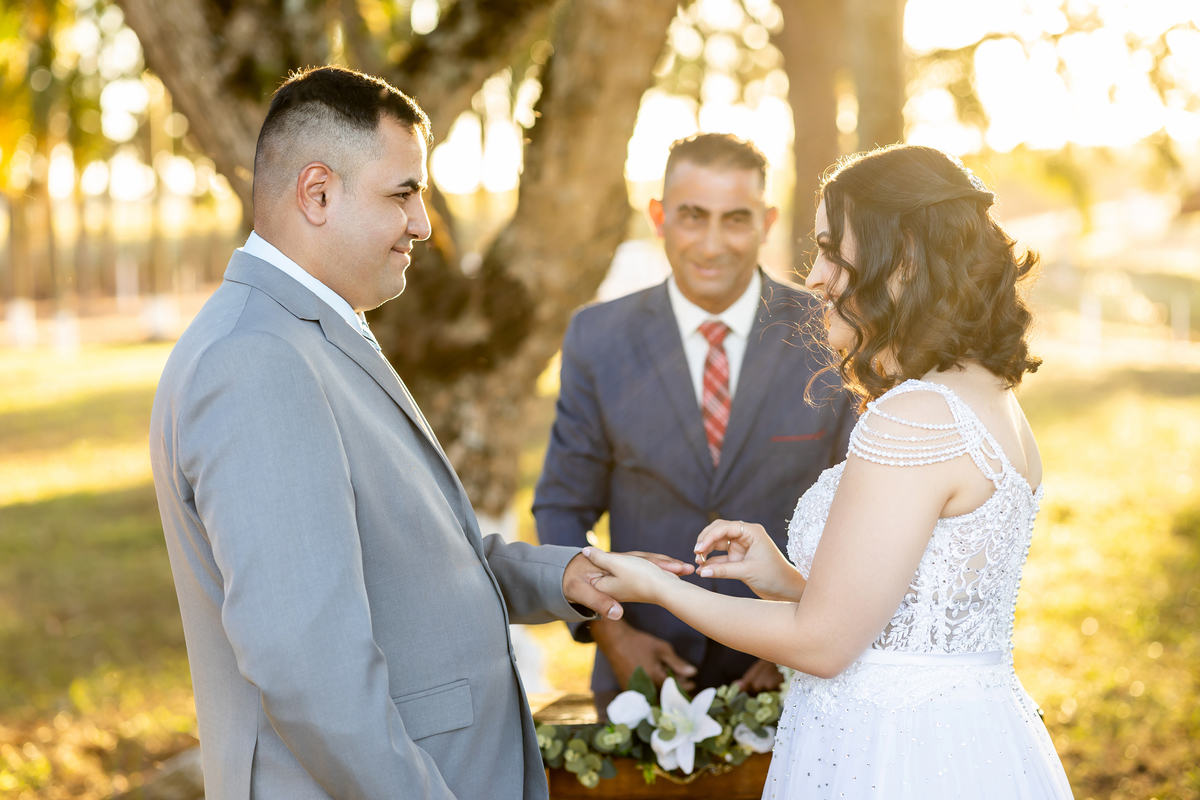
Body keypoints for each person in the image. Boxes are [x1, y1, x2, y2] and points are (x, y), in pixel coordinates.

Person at [148, 66, 678, 800]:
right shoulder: (257, 360)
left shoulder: (315, 332)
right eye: (403, 193)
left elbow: (408, 559)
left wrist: (558, 578)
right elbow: (310, 667)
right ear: (318, 193)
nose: (424, 224)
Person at [581, 144, 1075, 798]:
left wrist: (660, 587)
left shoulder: (916, 415)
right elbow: (905, 614)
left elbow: (823, 644)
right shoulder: (982, 394)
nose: (813, 278)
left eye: (829, 251)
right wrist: (784, 580)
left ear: (898, 258)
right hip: (962, 738)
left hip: (895, 757)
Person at [534, 133, 854, 707]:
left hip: (797, 679)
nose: (711, 244)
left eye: (735, 219)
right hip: (642, 672)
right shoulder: (597, 337)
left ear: (767, 220)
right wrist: (610, 631)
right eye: (691, 216)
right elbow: (562, 505)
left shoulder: (829, 334)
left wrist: (802, 634)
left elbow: (859, 509)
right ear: (659, 217)